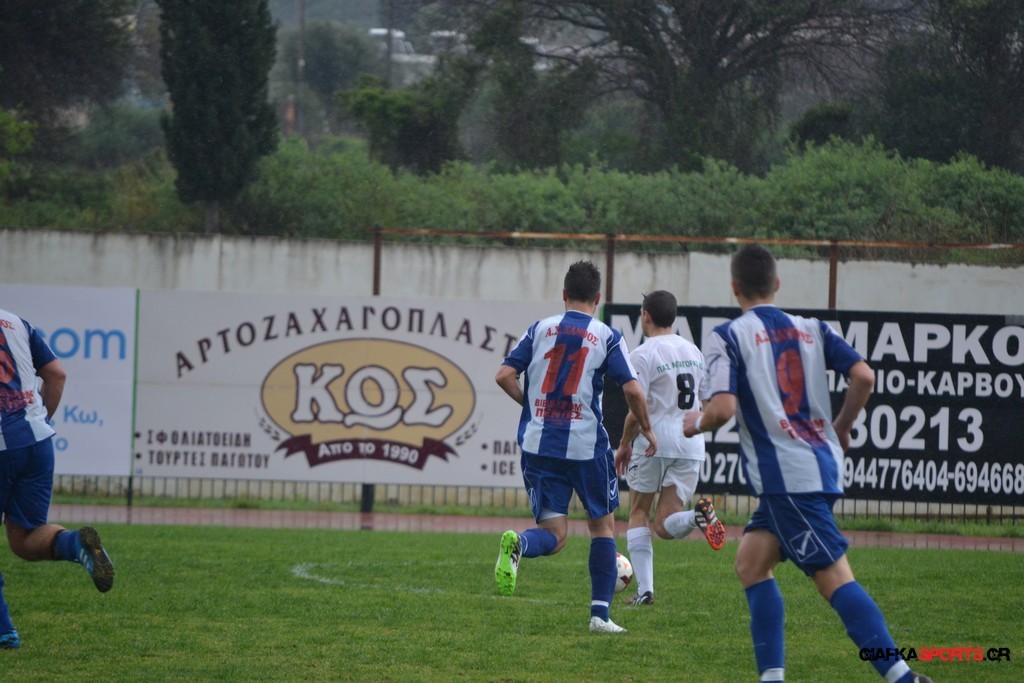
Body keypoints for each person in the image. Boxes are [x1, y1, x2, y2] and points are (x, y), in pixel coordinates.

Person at [682, 244, 931, 683]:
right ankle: (772, 677)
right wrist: (842, 426)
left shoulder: (729, 335)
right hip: (815, 467)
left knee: (833, 577)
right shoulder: (813, 328)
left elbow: (722, 409)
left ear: (735, 288)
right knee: (751, 563)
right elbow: (864, 375)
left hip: (788, 479)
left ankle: (903, 676)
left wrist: (695, 423)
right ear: (777, 284)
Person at [494, 260, 657, 634]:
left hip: (538, 444)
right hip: (585, 447)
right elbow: (633, 390)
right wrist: (647, 429)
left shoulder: (539, 329)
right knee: (602, 528)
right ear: (598, 299)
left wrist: (531, 405)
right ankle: (600, 616)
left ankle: (519, 544)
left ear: (564, 294)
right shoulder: (607, 336)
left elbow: (503, 375)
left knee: (555, 535)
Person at [0, 307, 115, 649]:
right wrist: (39, 420)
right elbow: (57, 375)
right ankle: (75, 543)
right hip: (37, 440)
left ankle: (4, 631)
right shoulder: (14, 321)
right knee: (25, 538)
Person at [613, 290, 726, 607]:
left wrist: (624, 444)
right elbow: (704, 402)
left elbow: (637, 408)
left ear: (646, 315)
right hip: (690, 442)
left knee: (639, 512)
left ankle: (645, 591)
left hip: (654, 442)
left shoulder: (643, 353)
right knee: (664, 524)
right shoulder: (693, 351)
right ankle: (697, 516)